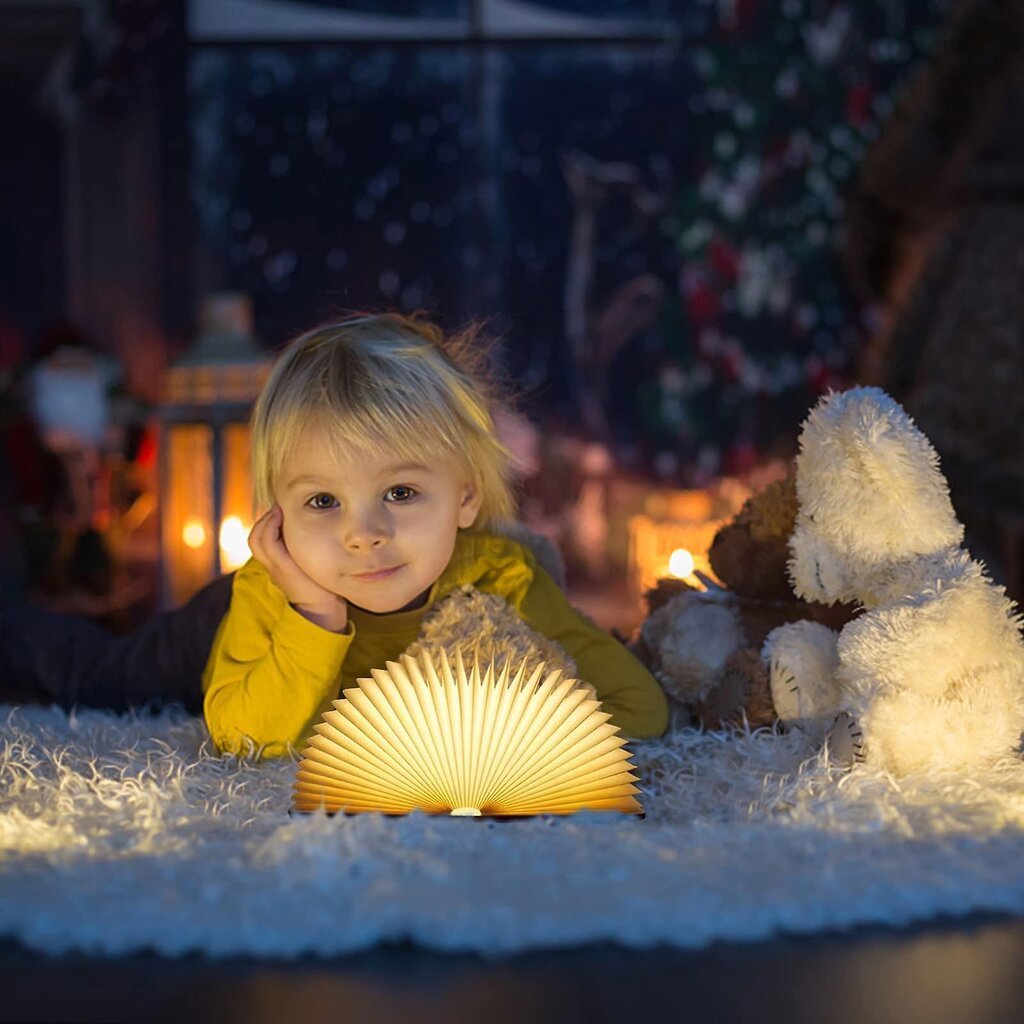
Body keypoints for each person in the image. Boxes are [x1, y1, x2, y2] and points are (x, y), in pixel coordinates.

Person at [0, 312, 669, 758]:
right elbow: (245, 738)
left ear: (465, 495)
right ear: (280, 512)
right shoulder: (274, 589)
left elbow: (642, 707)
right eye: (323, 500)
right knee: (104, 678)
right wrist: (312, 616)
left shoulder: (503, 580)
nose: (364, 534)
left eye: (401, 493)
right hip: (249, 618)